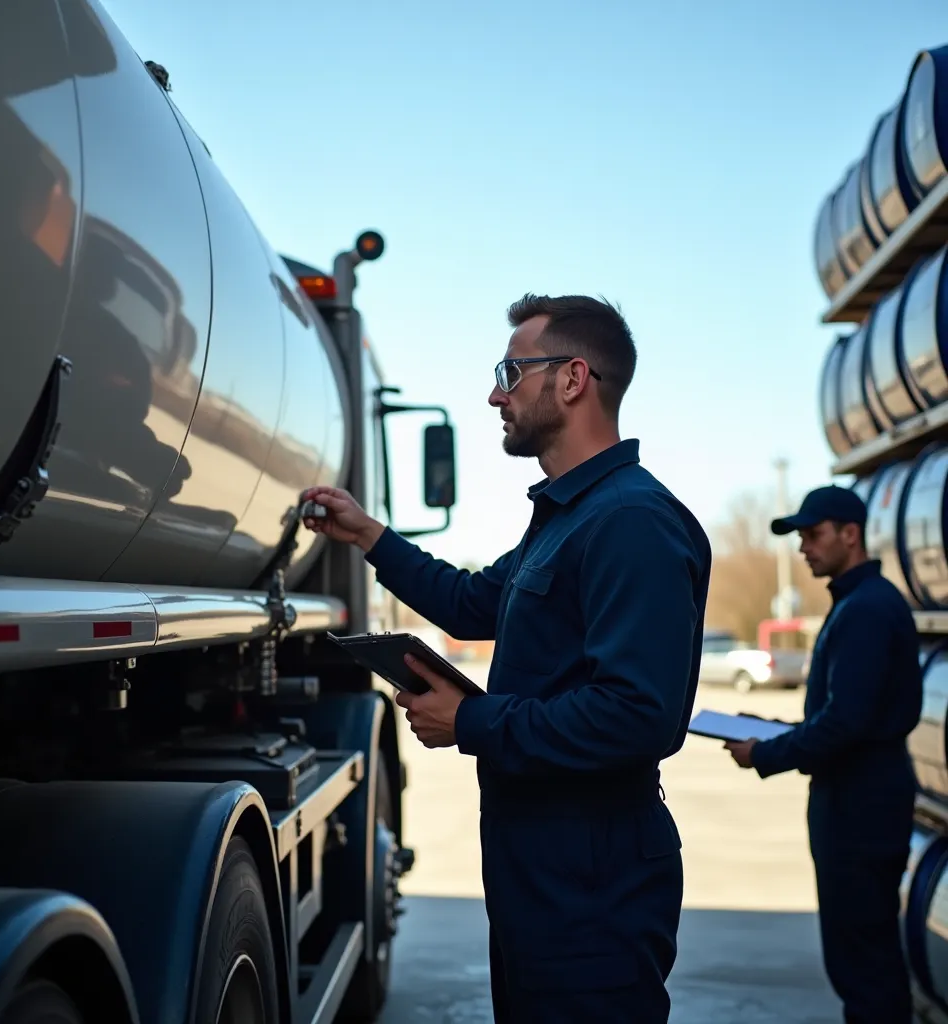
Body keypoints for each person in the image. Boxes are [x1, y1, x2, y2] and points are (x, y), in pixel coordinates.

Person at [302, 293, 712, 1023]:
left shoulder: (631, 523)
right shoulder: (566, 517)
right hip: (545, 876)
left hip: (595, 888)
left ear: (572, 378)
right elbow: (471, 603)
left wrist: (474, 720)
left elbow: (638, 716)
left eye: (511, 371)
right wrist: (369, 536)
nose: (496, 392)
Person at [724, 485, 922, 1024]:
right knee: (862, 958)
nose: (804, 548)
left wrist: (766, 754)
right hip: (858, 800)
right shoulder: (859, 604)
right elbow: (842, 716)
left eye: (813, 535)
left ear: (849, 534)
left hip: (861, 808)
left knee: (865, 966)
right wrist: (769, 732)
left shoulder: (866, 610)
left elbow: (846, 723)